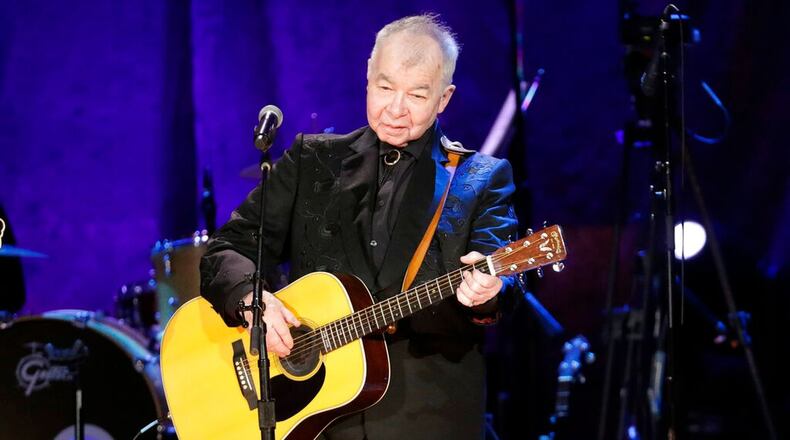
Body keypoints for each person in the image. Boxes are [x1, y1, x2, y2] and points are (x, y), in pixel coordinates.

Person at [200, 14, 518, 439]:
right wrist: (249, 300)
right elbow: (229, 247)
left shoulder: (480, 179)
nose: (396, 108)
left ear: (444, 98)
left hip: (427, 415)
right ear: (367, 79)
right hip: (315, 417)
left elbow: (504, 282)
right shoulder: (311, 161)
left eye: (417, 95)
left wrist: (488, 293)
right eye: (385, 88)